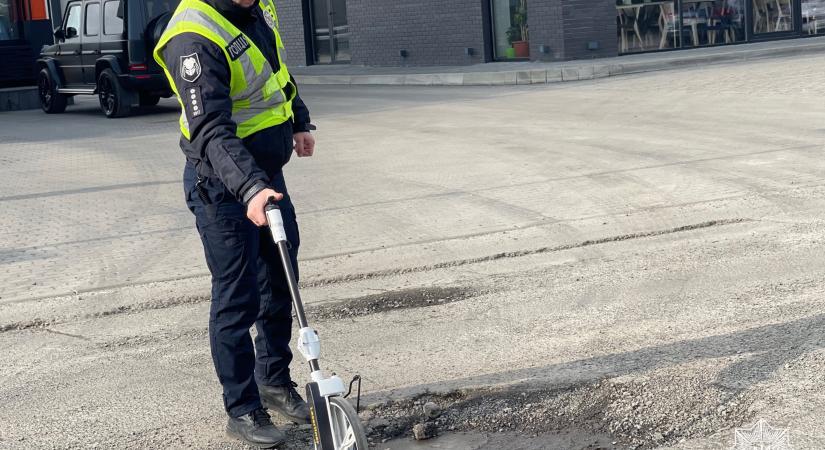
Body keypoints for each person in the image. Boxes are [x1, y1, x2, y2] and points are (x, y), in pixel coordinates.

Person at [153, 0, 315, 446]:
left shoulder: (259, 7)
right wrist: (249, 188)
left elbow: (274, 70)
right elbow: (209, 129)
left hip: (266, 176)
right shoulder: (192, 36)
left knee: (281, 281)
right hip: (221, 188)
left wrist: (299, 119)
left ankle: (275, 382)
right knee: (237, 297)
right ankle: (242, 408)